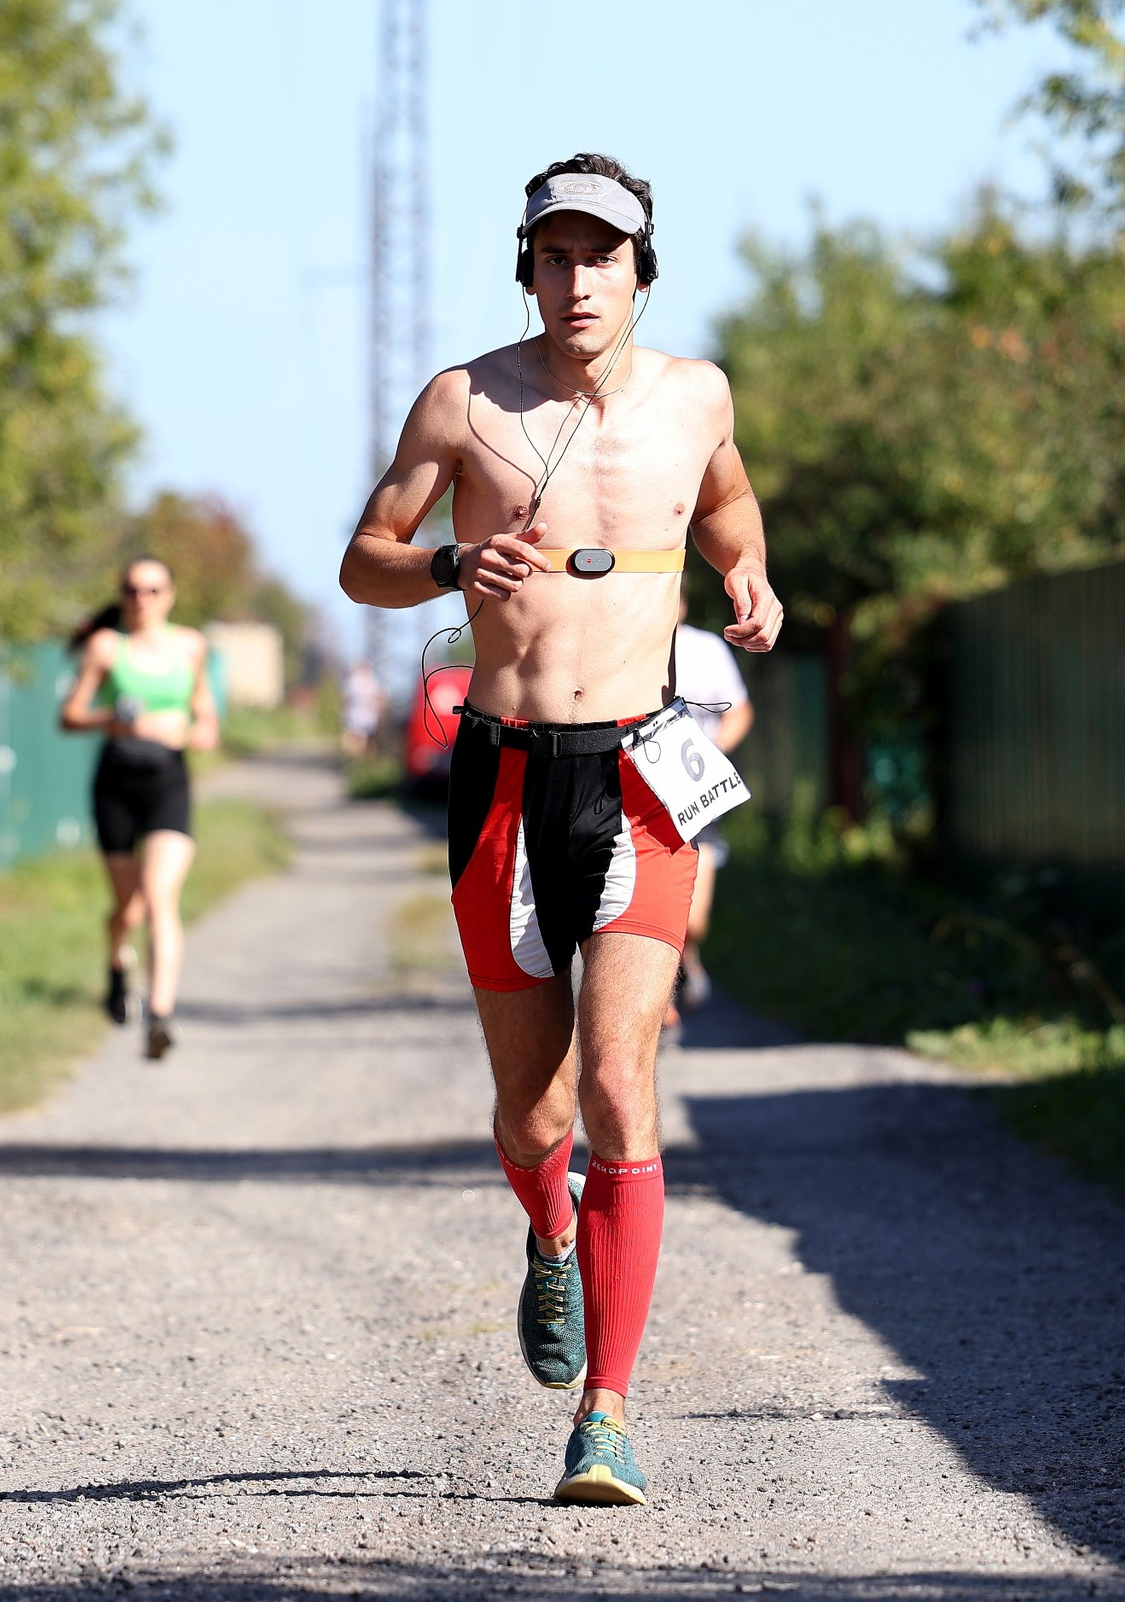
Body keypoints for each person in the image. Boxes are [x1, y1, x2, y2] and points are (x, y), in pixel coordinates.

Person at [339, 153, 782, 1505]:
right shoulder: (464, 401)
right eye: (556, 253)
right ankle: (546, 1231)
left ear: (643, 270)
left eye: (605, 254)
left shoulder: (697, 395)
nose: (579, 277)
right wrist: (443, 564)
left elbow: (726, 507)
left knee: (618, 1085)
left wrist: (748, 570)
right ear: (524, 265)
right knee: (533, 1115)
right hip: (507, 779)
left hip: (643, 769)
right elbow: (362, 555)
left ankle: (606, 1410)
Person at [60, 557, 219, 1061]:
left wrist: (194, 733)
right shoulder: (107, 648)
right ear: (121, 595)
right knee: (127, 908)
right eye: (132, 590)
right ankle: (116, 966)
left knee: (158, 897)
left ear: (169, 595)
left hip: (168, 780)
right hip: (116, 782)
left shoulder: (191, 646)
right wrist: (116, 718)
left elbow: (207, 719)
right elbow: (70, 716)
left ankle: (160, 1014)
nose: (142, 600)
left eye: (152, 590)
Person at [668, 592, 753, 1016]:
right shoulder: (617, 648)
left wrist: (713, 751)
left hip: (696, 791)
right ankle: (661, 1003)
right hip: (632, 792)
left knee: (693, 919)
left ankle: (688, 959)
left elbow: (739, 711)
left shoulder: (706, 648)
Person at [340, 657, 386, 761]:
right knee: (365, 745)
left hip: (356, 717)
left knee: (355, 744)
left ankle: (355, 763)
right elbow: (380, 698)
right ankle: (362, 764)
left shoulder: (353, 680)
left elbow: (345, 699)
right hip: (368, 718)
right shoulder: (373, 680)